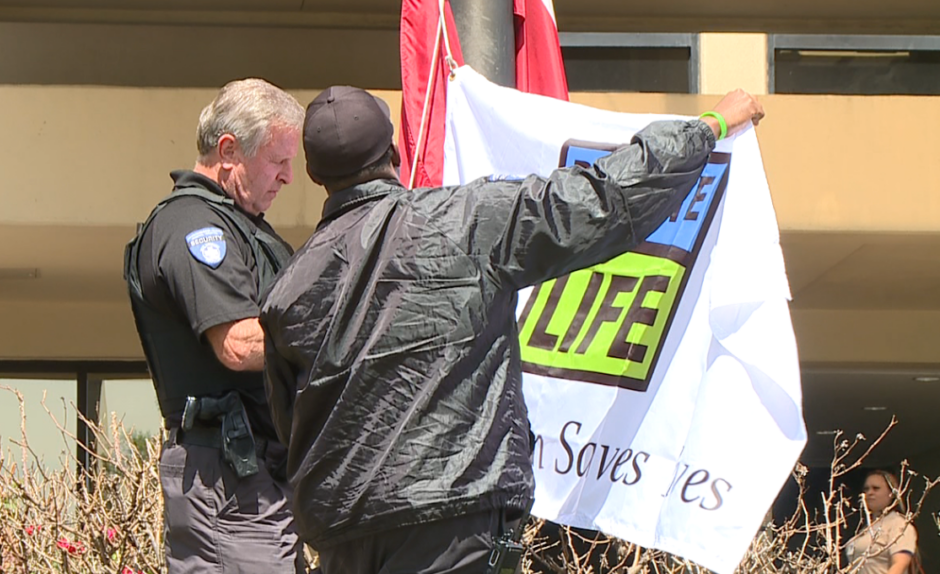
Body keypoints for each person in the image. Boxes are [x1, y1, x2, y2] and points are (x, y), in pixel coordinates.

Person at [259, 85, 765, 574]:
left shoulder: (288, 289)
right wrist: (709, 127)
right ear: (393, 149)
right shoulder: (463, 220)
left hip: (342, 531)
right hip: (453, 517)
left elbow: (291, 426)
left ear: (312, 173)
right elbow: (603, 198)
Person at [123, 78, 304, 574]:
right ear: (229, 150)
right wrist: (338, 330)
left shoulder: (245, 226)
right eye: (278, 160)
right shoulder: (193, 227)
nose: (289, 176)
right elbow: (239, 344)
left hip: (258, 477)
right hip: (227, 479)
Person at [846, 470, 919, 574]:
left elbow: (899, 564)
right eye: (866, 489)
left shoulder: (898, 524)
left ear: (891, 494)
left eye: (876, 488)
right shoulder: (865, 528)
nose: (869, 493)